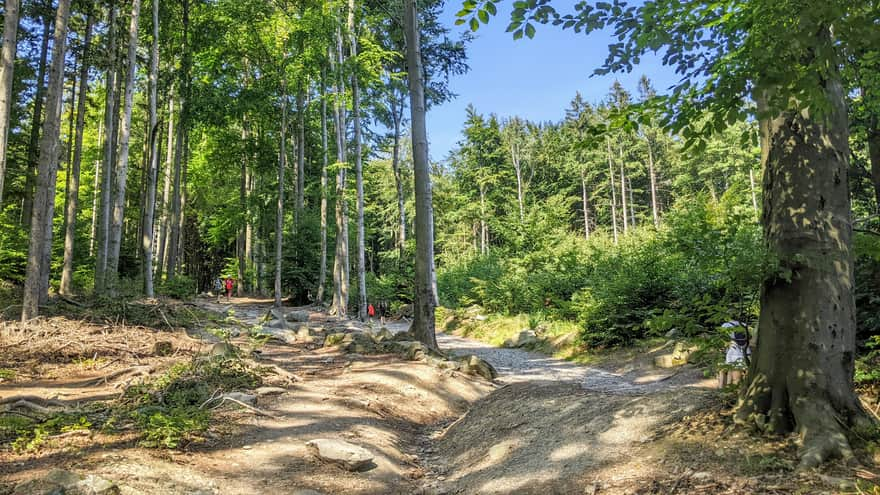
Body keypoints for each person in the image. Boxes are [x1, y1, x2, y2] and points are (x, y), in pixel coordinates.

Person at [718, 321, 751, 387]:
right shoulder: (744, 325)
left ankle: (726, 390)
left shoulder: (726, 325)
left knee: (736, 379)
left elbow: (725, 340)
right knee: (733, 373)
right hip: (747, 353)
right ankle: (727, 389)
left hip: (735, 353)